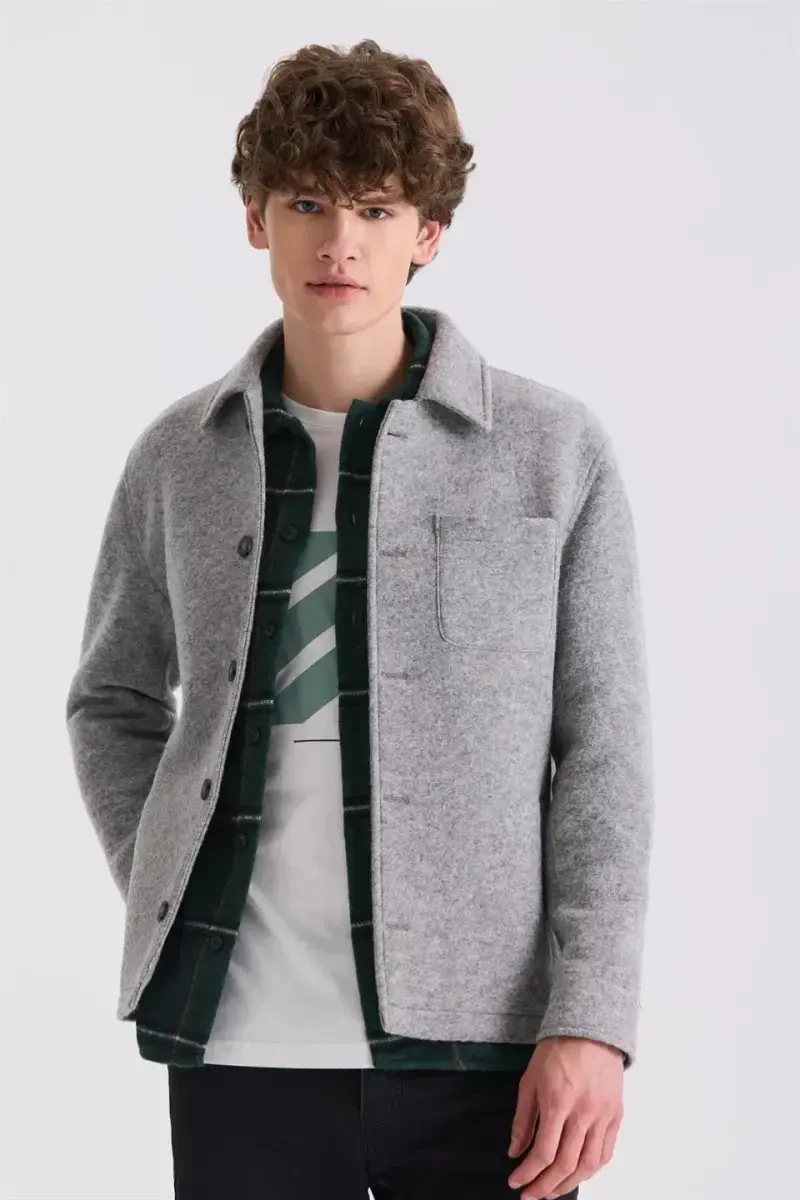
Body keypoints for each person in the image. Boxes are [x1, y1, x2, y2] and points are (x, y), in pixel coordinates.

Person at [65, 37, 653, 1200]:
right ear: (256, 220)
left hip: (482, 1045)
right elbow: (111, 700)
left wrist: (591, 1016)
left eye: (375, 209)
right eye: (306, 203)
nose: (339, 241)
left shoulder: (551, 453)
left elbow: (602, 753)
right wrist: (168, 874)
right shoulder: (180, 457)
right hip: (236, 1042)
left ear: (427, 232)